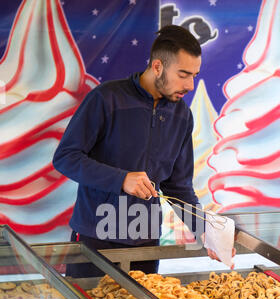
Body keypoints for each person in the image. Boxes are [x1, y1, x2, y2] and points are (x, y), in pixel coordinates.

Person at [53, 25, 234, 277]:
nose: (190, 85)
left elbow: (178, 187)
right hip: (95, 237)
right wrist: (121, 179)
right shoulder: (106, 99)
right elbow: (66, 158)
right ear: (157, 66)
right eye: (183, 74)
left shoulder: (182, 115)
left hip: (146, 242)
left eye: (194, 75)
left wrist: (203, 230)